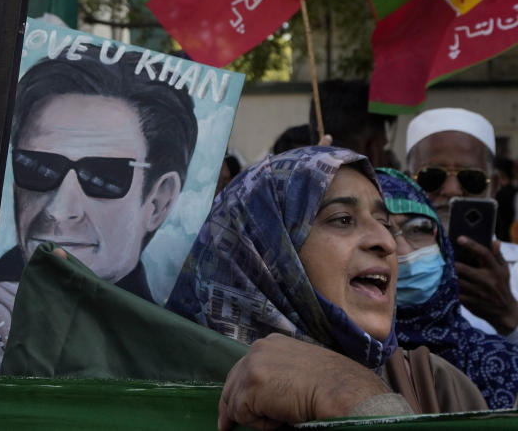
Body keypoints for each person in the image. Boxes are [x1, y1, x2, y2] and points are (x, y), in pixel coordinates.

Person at [0, 46, 198, 374]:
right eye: (37, 167)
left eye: (102, 177)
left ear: (158, 201)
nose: (60, 209)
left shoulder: (177, 353)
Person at [166, 146, 486, 428]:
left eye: (383, 222)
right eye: (343, 219)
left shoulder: (436, 386)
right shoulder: (164, 389)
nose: (386, 242)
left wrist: (354, 397)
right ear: (264, 249)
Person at [377, 167, 518, 409]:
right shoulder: (323, 366)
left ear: (442, 244)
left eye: (419, 228)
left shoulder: (505, 361)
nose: (403, 251)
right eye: (382, 229)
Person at [406, 107, 518, 341]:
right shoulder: (380, 266)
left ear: (494, 186)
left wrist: (509, 317)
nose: (452, 191)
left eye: (471, 179)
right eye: (432, 177)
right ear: (407, 181)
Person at [309, 79, 395, 166]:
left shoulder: (299, 173)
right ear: (372, 150)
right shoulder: (393, 179)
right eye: (383, 148)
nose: (386, 157)